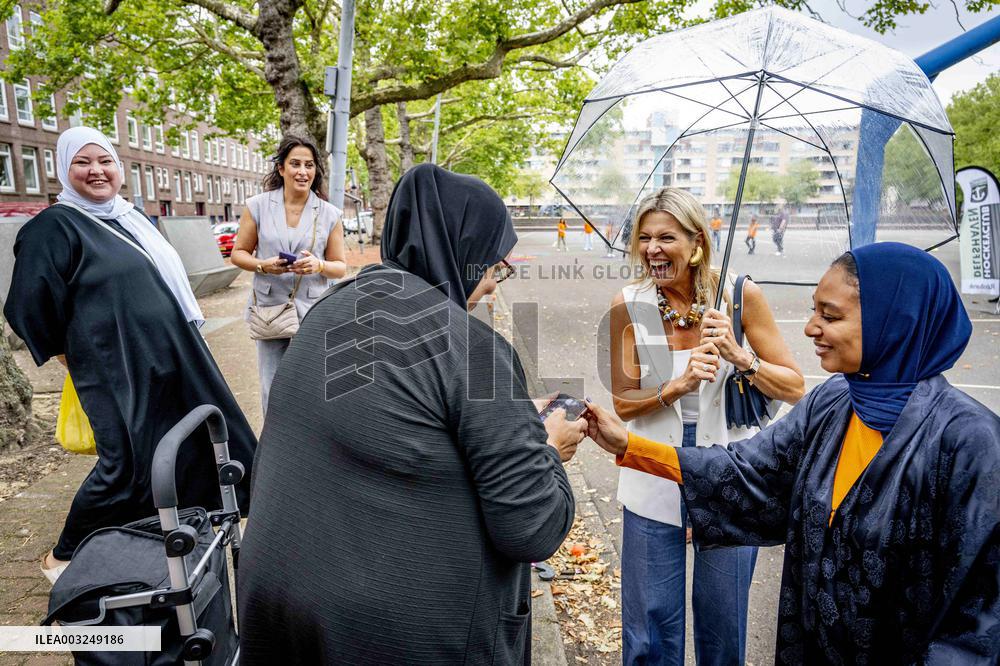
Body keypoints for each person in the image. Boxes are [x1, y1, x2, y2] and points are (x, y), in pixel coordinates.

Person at [588, 242, 1000, 665]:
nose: (809, 328)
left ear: (896, 322)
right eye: (813, 311)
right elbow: (750, 472)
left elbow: (978, 625)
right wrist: (629, 445)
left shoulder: (969, 443)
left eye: (830, 315)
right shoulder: (833, 404)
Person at [238, 164, 585, 664]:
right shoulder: (474, 349)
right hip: (395, 631)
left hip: (280, 605)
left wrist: (507, 420)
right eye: (494, 264)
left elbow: (398, 421)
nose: (493, 284)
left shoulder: (331, 312)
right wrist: (548, 449)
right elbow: (531, 527)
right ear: (464, 253)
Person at [3, 127, 256, 583]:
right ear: (63, 169)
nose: (96, 171)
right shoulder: (54, 226)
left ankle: (162, 536)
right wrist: (75, 357)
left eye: (105, 161)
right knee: (126, 464)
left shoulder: (127, 216)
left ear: (120, 169)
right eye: (82, 162)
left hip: (172, 356)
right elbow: (29, 306)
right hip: (115, 367)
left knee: (195, 442)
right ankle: (62, 556)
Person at [608, 187, 804, 665]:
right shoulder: (628, 303)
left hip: (730, 476)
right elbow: (622, 401)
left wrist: (742, 357)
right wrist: (676, 385)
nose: (653, 249)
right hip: (654, 472)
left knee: (723, 622)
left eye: (667, 238)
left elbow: (794, 386)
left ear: (696, 243)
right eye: (645, 238)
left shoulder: (739, 296)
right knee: (650, 629)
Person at [230, 135, 347, 414]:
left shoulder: (330, 213)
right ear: (281, 168)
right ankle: (275, 445)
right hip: (270, 308)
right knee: (272, 383)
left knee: (314, 381)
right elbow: (239, 253)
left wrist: (318, 266)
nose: (303, 171)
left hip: (313, 307)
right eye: (295, 164)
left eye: (309, 165)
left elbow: (340, 266)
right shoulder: (257, 206)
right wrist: (263, 265)